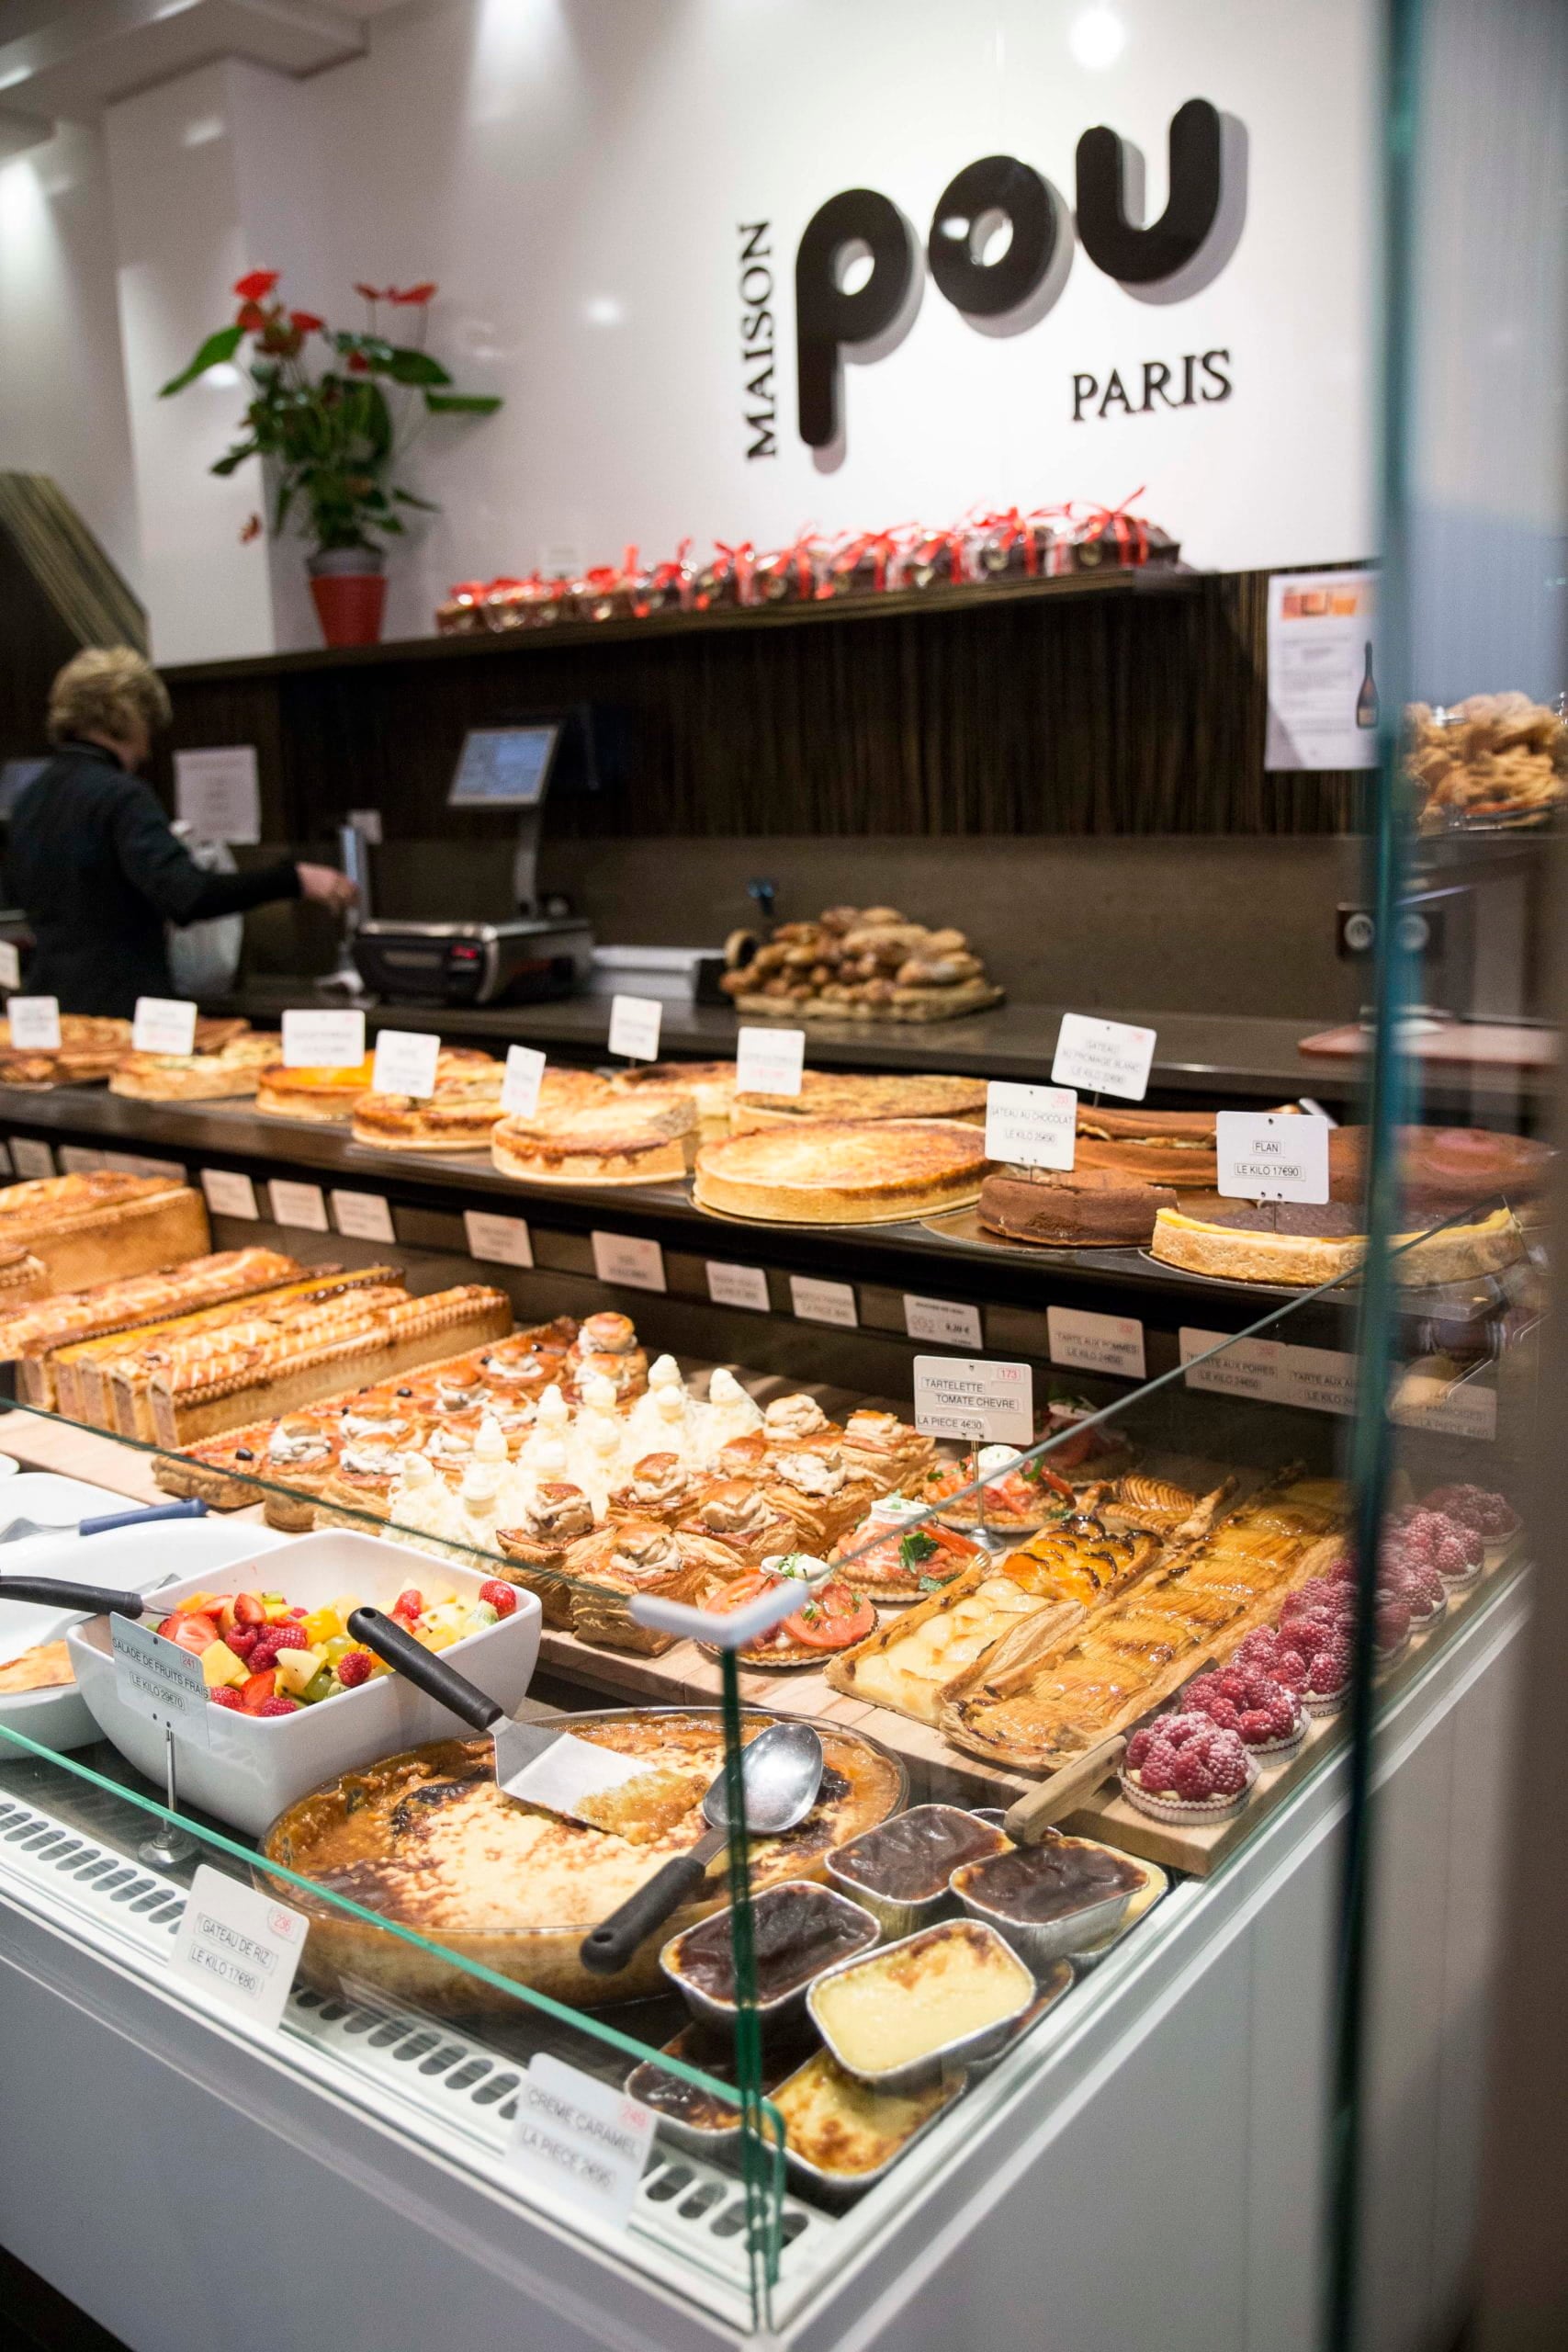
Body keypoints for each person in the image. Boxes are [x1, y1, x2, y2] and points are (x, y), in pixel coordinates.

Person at [6, 647, 357, 1018]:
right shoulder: (121, 796)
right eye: (148, 724)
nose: (147, 749)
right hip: (120, 1010)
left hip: (47, 1010)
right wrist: (294, 879)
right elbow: (188, 896)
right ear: (128, 716)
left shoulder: (30, 798)